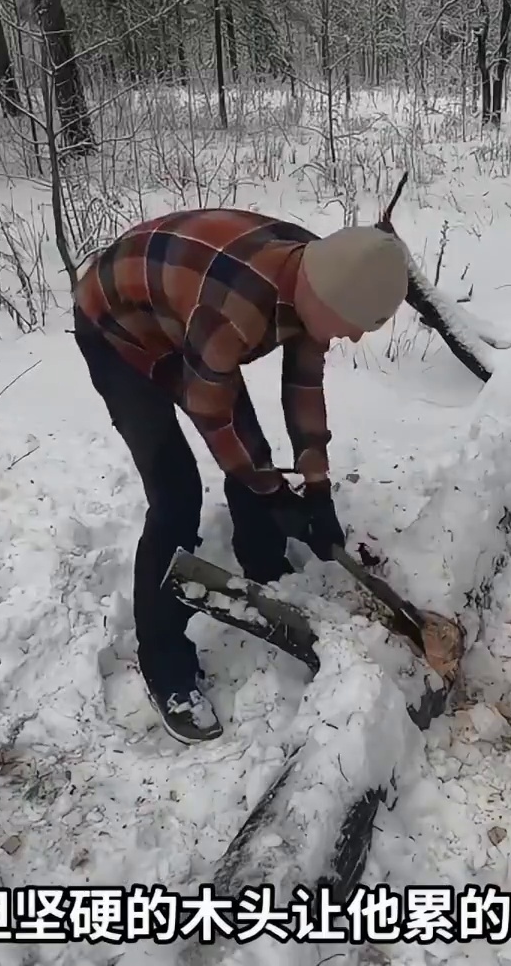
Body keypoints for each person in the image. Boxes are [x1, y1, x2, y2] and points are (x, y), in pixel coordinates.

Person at [72, 208, 412, 743]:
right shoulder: (235, 311)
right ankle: (164, 663)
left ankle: (265, 563)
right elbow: (213, 412)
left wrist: (316, 486)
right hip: (118, 328)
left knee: (253, 459)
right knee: (176, 497)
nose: (349, 338)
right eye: (351, 326)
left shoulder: (317, 270)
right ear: (324, 301)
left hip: (185, 306)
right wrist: (271, 490)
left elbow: (303, 386)